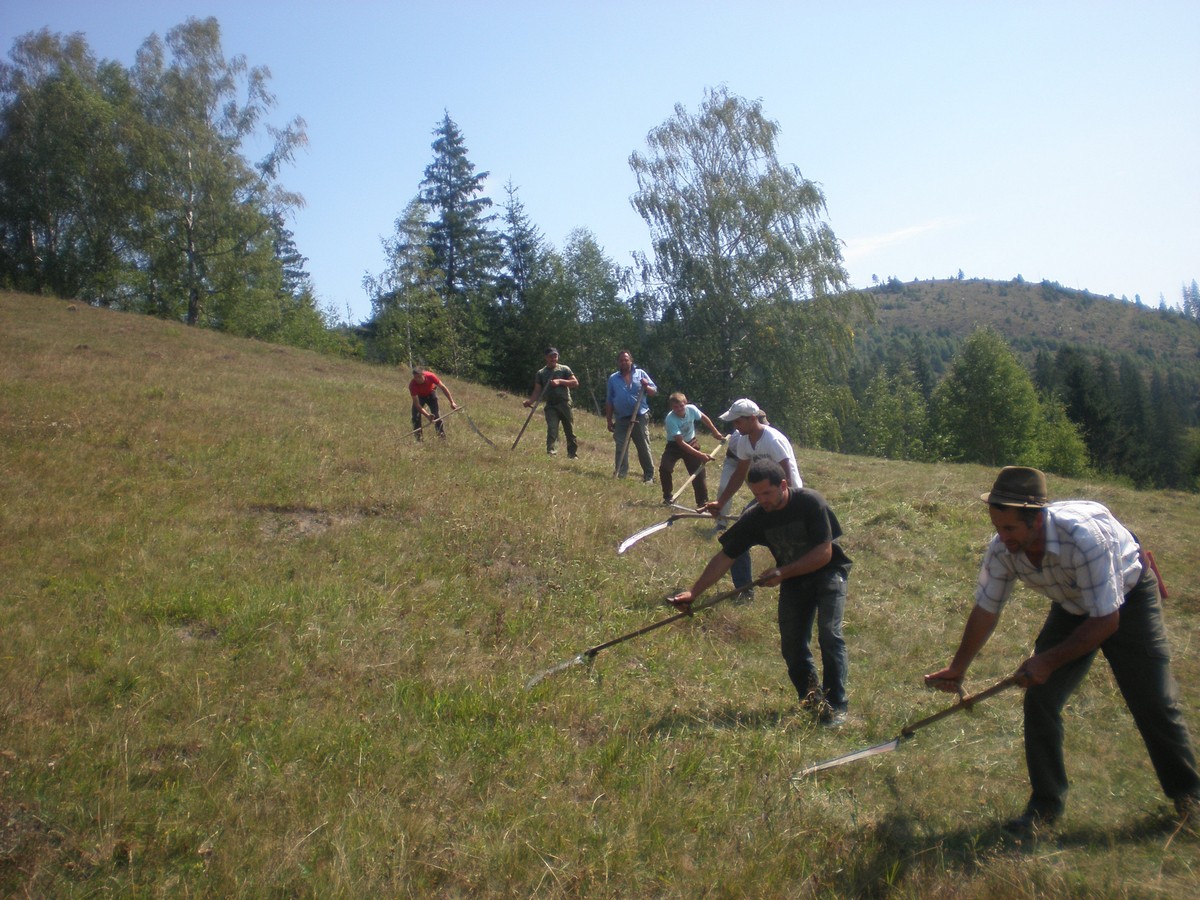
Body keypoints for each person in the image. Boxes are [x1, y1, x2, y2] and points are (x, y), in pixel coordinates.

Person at [926, 466, 1200, 837]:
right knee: (1040, 699)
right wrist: (958, 668)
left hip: (1128, 602)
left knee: (1152, 700)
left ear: (1037, 519)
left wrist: (1047, 661)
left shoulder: (1084, 539)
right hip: (1072, 607)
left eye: (1010, 529)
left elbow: (1106, 621)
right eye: (997, 527)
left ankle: (1190, 799)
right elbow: (986, 610)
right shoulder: (1002, 550)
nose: (1001, 537)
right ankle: (1044, 807)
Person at [671, 460, 852, 726]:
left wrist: (783, 572)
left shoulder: (811, 503)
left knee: (829, 633)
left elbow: (824, 554)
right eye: (756, 495)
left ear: (783, 485)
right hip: (793, 579)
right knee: (792, 646)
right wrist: (693, 592)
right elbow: (725, 556)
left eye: (767, 493)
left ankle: (836, 706)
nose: (762, 500)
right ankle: (813, 701)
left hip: (828, 573)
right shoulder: (756, 517)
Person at [704, 399, 803, 597]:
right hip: (766, 499)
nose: (734, 426)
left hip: (790, 498)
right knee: (738, 536)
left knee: (792, 548)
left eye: (737, 422)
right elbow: (740, 474)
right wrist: (721, 502)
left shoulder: (772, 440)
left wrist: (786, 508)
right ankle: (744, 590)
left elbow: (788, 474)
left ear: (751, 419)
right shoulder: (743, 441)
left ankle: (799, 588)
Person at [658, 392, 725, 506]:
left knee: (698, 472)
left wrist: (715, 432)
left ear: (685, 403)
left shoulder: (692, 409)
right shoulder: (670, 419)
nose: (679, 409)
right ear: (671, 407)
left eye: (681, 405)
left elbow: (703, 418)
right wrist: (701, 455)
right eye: (675, 407)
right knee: (665, 468)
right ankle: (668, 497)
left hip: (691, 441)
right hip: (674, 445)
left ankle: (702, 502)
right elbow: (680, 443)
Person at [605, 350, 657, 481]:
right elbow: (609, 400)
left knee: (643, 446)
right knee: (620, 446)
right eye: (621, 360)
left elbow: (653, 391)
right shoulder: (613, 379)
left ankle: (649, 475)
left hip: (639, 416)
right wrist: (609, 420)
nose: (624, 362)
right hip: (621, 418)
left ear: (631, 361)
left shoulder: (641, 374)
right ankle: (620, 474)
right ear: (618, 362)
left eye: (626, 360)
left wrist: (646, 385)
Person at [523, 347, 579, 457]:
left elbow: (575, 383)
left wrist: (560, 381)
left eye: (555, 356)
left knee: (569, 430)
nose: (553, 358)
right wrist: (530, 401)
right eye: (551, 356)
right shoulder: (541, 373)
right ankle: (551, 453)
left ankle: (572, 454)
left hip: (564, 403)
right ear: (546, 358)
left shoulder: (564, 369)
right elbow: (537, 390)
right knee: (552, 430)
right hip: (551, 406)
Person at [408, 368, 457, 441]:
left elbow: (443, 388)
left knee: (437, 416)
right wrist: (427, 416)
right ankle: (419, 440)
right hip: (420, 397)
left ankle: (442, 438)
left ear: (423, 375)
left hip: (431, 394)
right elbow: (417, 404)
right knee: (415, 417)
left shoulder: (431, 376)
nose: (417, 379)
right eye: (415, 378)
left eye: (419, 377)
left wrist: (452, 402)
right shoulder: (412, 385)